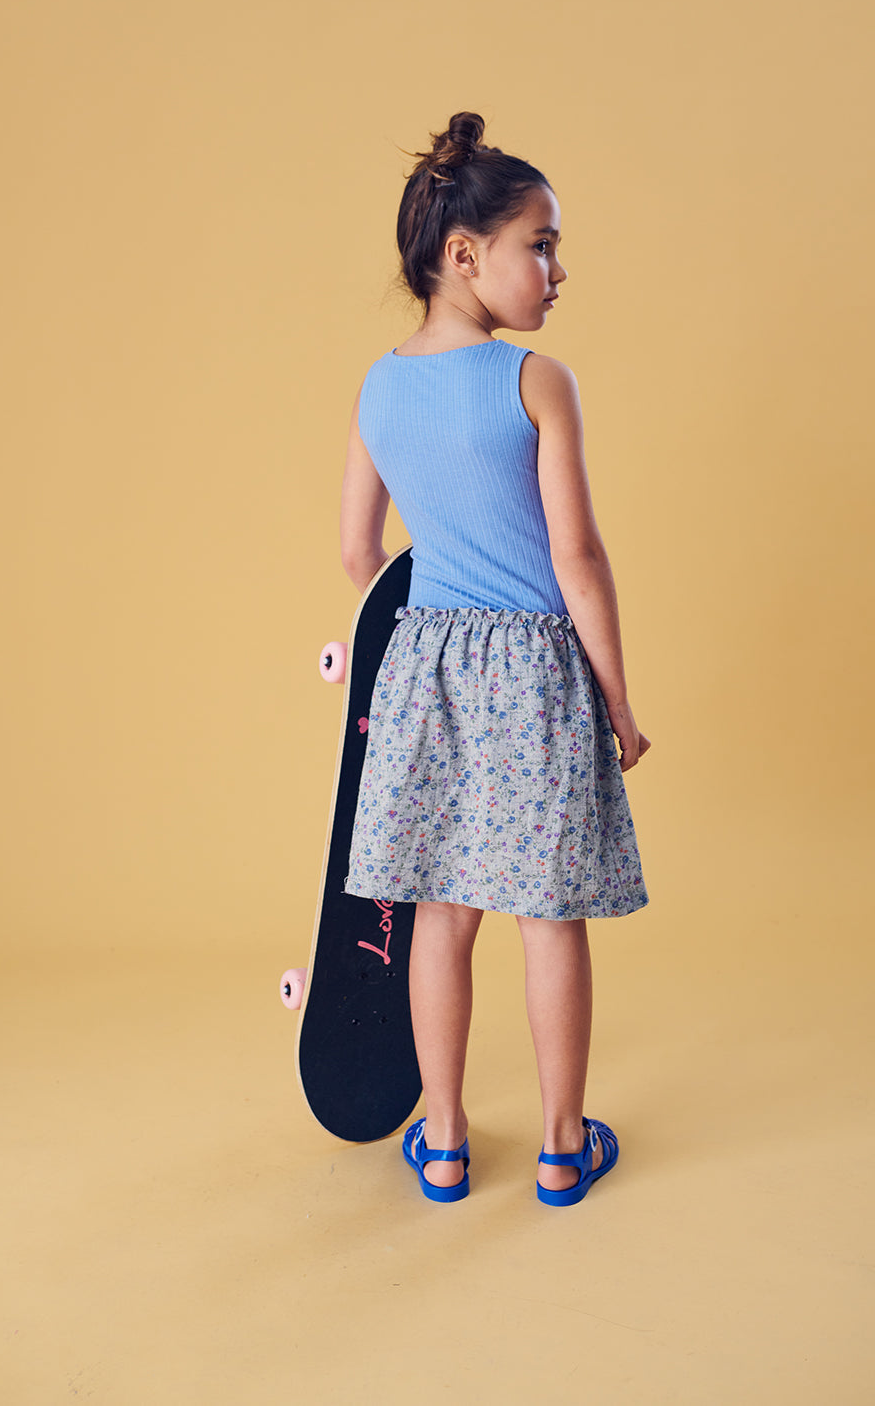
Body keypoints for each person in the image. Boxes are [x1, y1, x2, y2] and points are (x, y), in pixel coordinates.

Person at [339, 112, 650, 1207]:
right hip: (533, 675)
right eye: (543, 243)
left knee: (439, 910)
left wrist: (427, 601)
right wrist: (617, 703)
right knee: (545, 912)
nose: (558, 271)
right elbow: (576, 554)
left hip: (423, 671)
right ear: (464, 255)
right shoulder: (534, 381)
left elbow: (356, 552)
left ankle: (445, 1139)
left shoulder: (378, 387)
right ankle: (563, 1147)